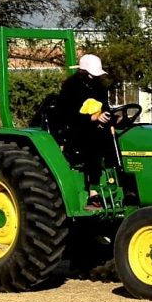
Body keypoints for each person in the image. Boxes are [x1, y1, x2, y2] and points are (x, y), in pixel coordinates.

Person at [58, 54, 117, 210]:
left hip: (97, 127)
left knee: (116, 140)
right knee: (95, 142)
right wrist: (93, 118)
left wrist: (108, 118)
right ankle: (93, 192)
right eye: (92, 73)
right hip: (76, 130)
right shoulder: (70, 87)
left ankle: (118, 182)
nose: (94, 76)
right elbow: (67, 116)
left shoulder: (98, 87)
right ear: (83, 71)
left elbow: (105, 108)